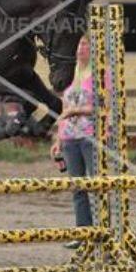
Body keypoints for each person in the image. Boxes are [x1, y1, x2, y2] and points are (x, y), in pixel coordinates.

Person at [50, 35, 94, 247]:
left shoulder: (100, 74)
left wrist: (76, 110)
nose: (80, 48)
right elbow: (63, 109)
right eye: (77, 43)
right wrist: (58, 139)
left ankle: (100, 230)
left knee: (96, 185)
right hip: (69, 137)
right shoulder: (68, 75)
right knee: (78, 188)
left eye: (84, 44)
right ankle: (82, 232)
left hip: (90, 136)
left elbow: (103, 106)